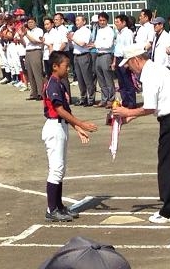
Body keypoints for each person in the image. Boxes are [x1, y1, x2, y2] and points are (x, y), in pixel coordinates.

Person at [113, 44, 170, 223]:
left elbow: (149, 107)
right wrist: (129, 118)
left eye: (129, 64)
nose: (129, 68)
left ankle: (168, 210)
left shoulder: (150, 73)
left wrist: (127, 112)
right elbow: (154, 105)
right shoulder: (156, 69)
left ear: (136, 60)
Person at [42, 51, 98, 222]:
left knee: (61, 169)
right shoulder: (52, 84)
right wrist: (81, 124)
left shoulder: (60, 83)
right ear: (55, 66)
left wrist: (76, 127)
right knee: (56, 169)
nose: (68, 69)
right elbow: (59, 110)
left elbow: (66, 111)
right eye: (66, 66)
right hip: (54, 127)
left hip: (62, 126)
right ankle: (52, 209)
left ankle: (58, 206)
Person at [67, 15, 94, 107]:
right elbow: (73, 45)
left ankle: (91, 98)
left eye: (78, 20)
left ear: (84, 22)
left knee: (87, 78)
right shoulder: (76, 32)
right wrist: (70, 40)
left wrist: (72, 38)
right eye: (76, 20)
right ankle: (83, 97)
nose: (77, 22)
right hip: (76, 55)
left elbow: (83, 43)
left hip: (84, 55)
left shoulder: (86, 31)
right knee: (80, 79)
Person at [90, 12, 115, 109]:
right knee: (101, 79)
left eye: (103, 20)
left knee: (108, 78)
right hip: (98, 55)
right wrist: (95, 45)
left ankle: (111, 99)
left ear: (107, 21)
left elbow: (108, 44)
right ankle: (104, 99)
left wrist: (96, 45)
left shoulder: (110, 31)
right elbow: (96, 42)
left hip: (106, 55)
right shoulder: (99, 30)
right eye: (100, 20)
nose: (101, 22)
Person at [111, 14, 135, 108]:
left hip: (125, 59)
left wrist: (128, 62)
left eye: (117, 22)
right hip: (118, 59)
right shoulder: (119, 33)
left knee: (127, 82)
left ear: (124, 22)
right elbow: (117, 48)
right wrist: (114, 61)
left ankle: (131, 103)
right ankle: (125, 102)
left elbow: (129, 48)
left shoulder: (128, 33)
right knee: (121, 83)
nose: (116, 24)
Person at [19, 17, 44, 100]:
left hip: (36, 51)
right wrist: (21, 37)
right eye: (29, 23)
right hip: (28, 52)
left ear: (35, 23)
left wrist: (26, 34)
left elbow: (35, 41)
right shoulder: (28, 31)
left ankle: (41, 93)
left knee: (37, 73)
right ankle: (34, 93)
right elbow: (25, 44)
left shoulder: (39, 30)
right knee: (30, 74)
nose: (30, 24)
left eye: (32, 22)